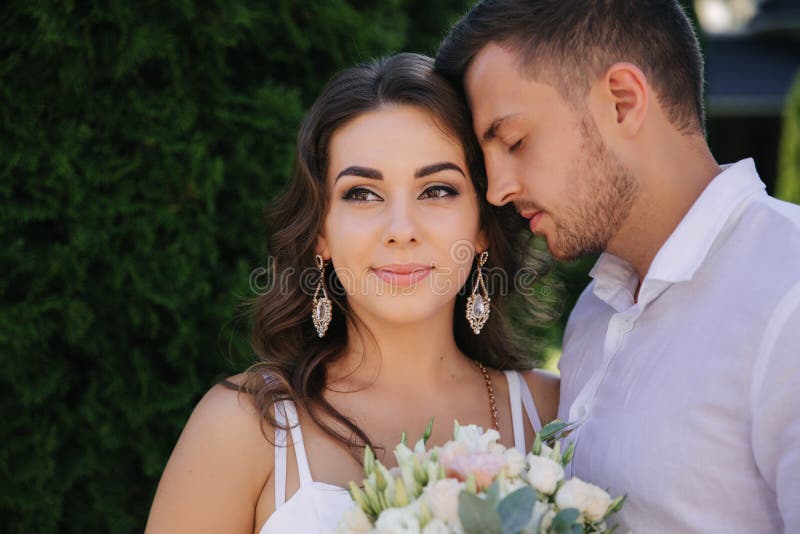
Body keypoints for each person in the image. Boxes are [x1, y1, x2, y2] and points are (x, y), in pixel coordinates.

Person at [144, 53, 559, 533]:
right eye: (362, 193)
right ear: (320, 232)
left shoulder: (554, 414)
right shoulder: (241, 427)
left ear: (483, 226)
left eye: (437, 190)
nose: (401, 230)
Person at [435, 0, 800, 532]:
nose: (497, 189)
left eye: (515, 141)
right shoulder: (594, 314)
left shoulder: (787, 290)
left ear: (624, 102)